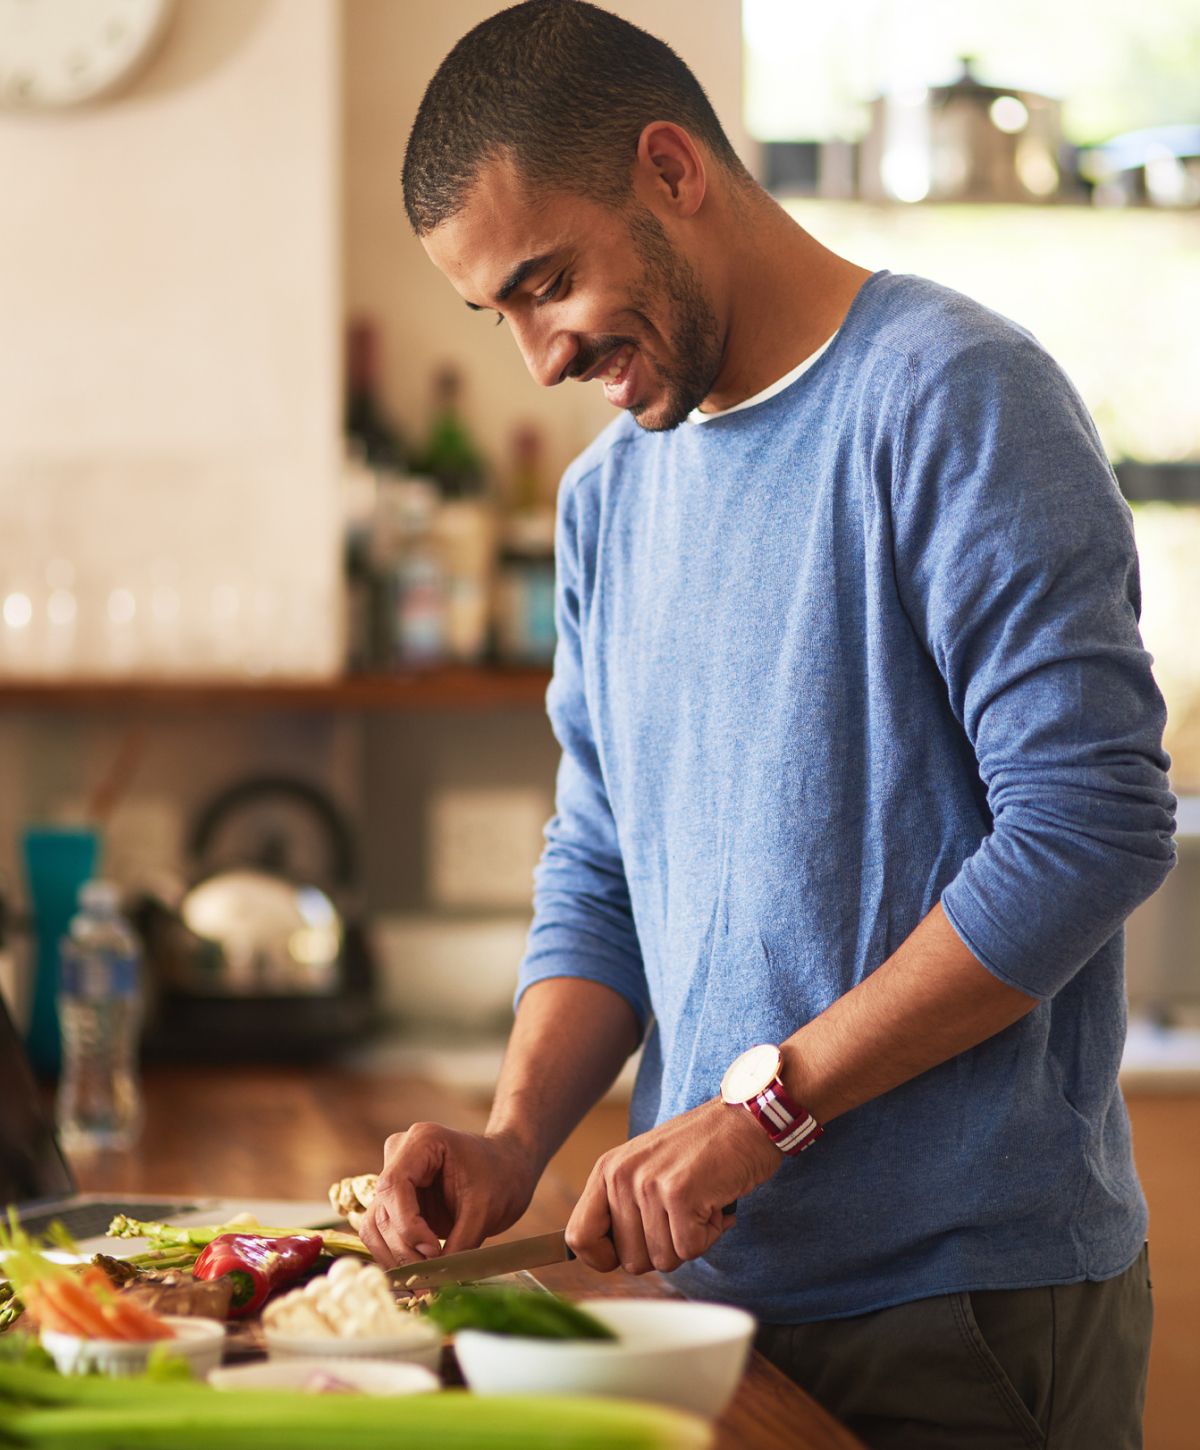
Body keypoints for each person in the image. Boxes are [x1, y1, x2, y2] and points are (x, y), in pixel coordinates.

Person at [359, 4, 1176, 1444]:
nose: (539, 359)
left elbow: (1091, 825)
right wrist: (513, 1136)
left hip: (958, 1303)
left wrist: (770, 1110)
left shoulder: (956, 397)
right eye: (501, 313)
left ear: (672, 168)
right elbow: (605, 858)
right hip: (706, 1289)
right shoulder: (609, 496)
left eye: (548, 282)